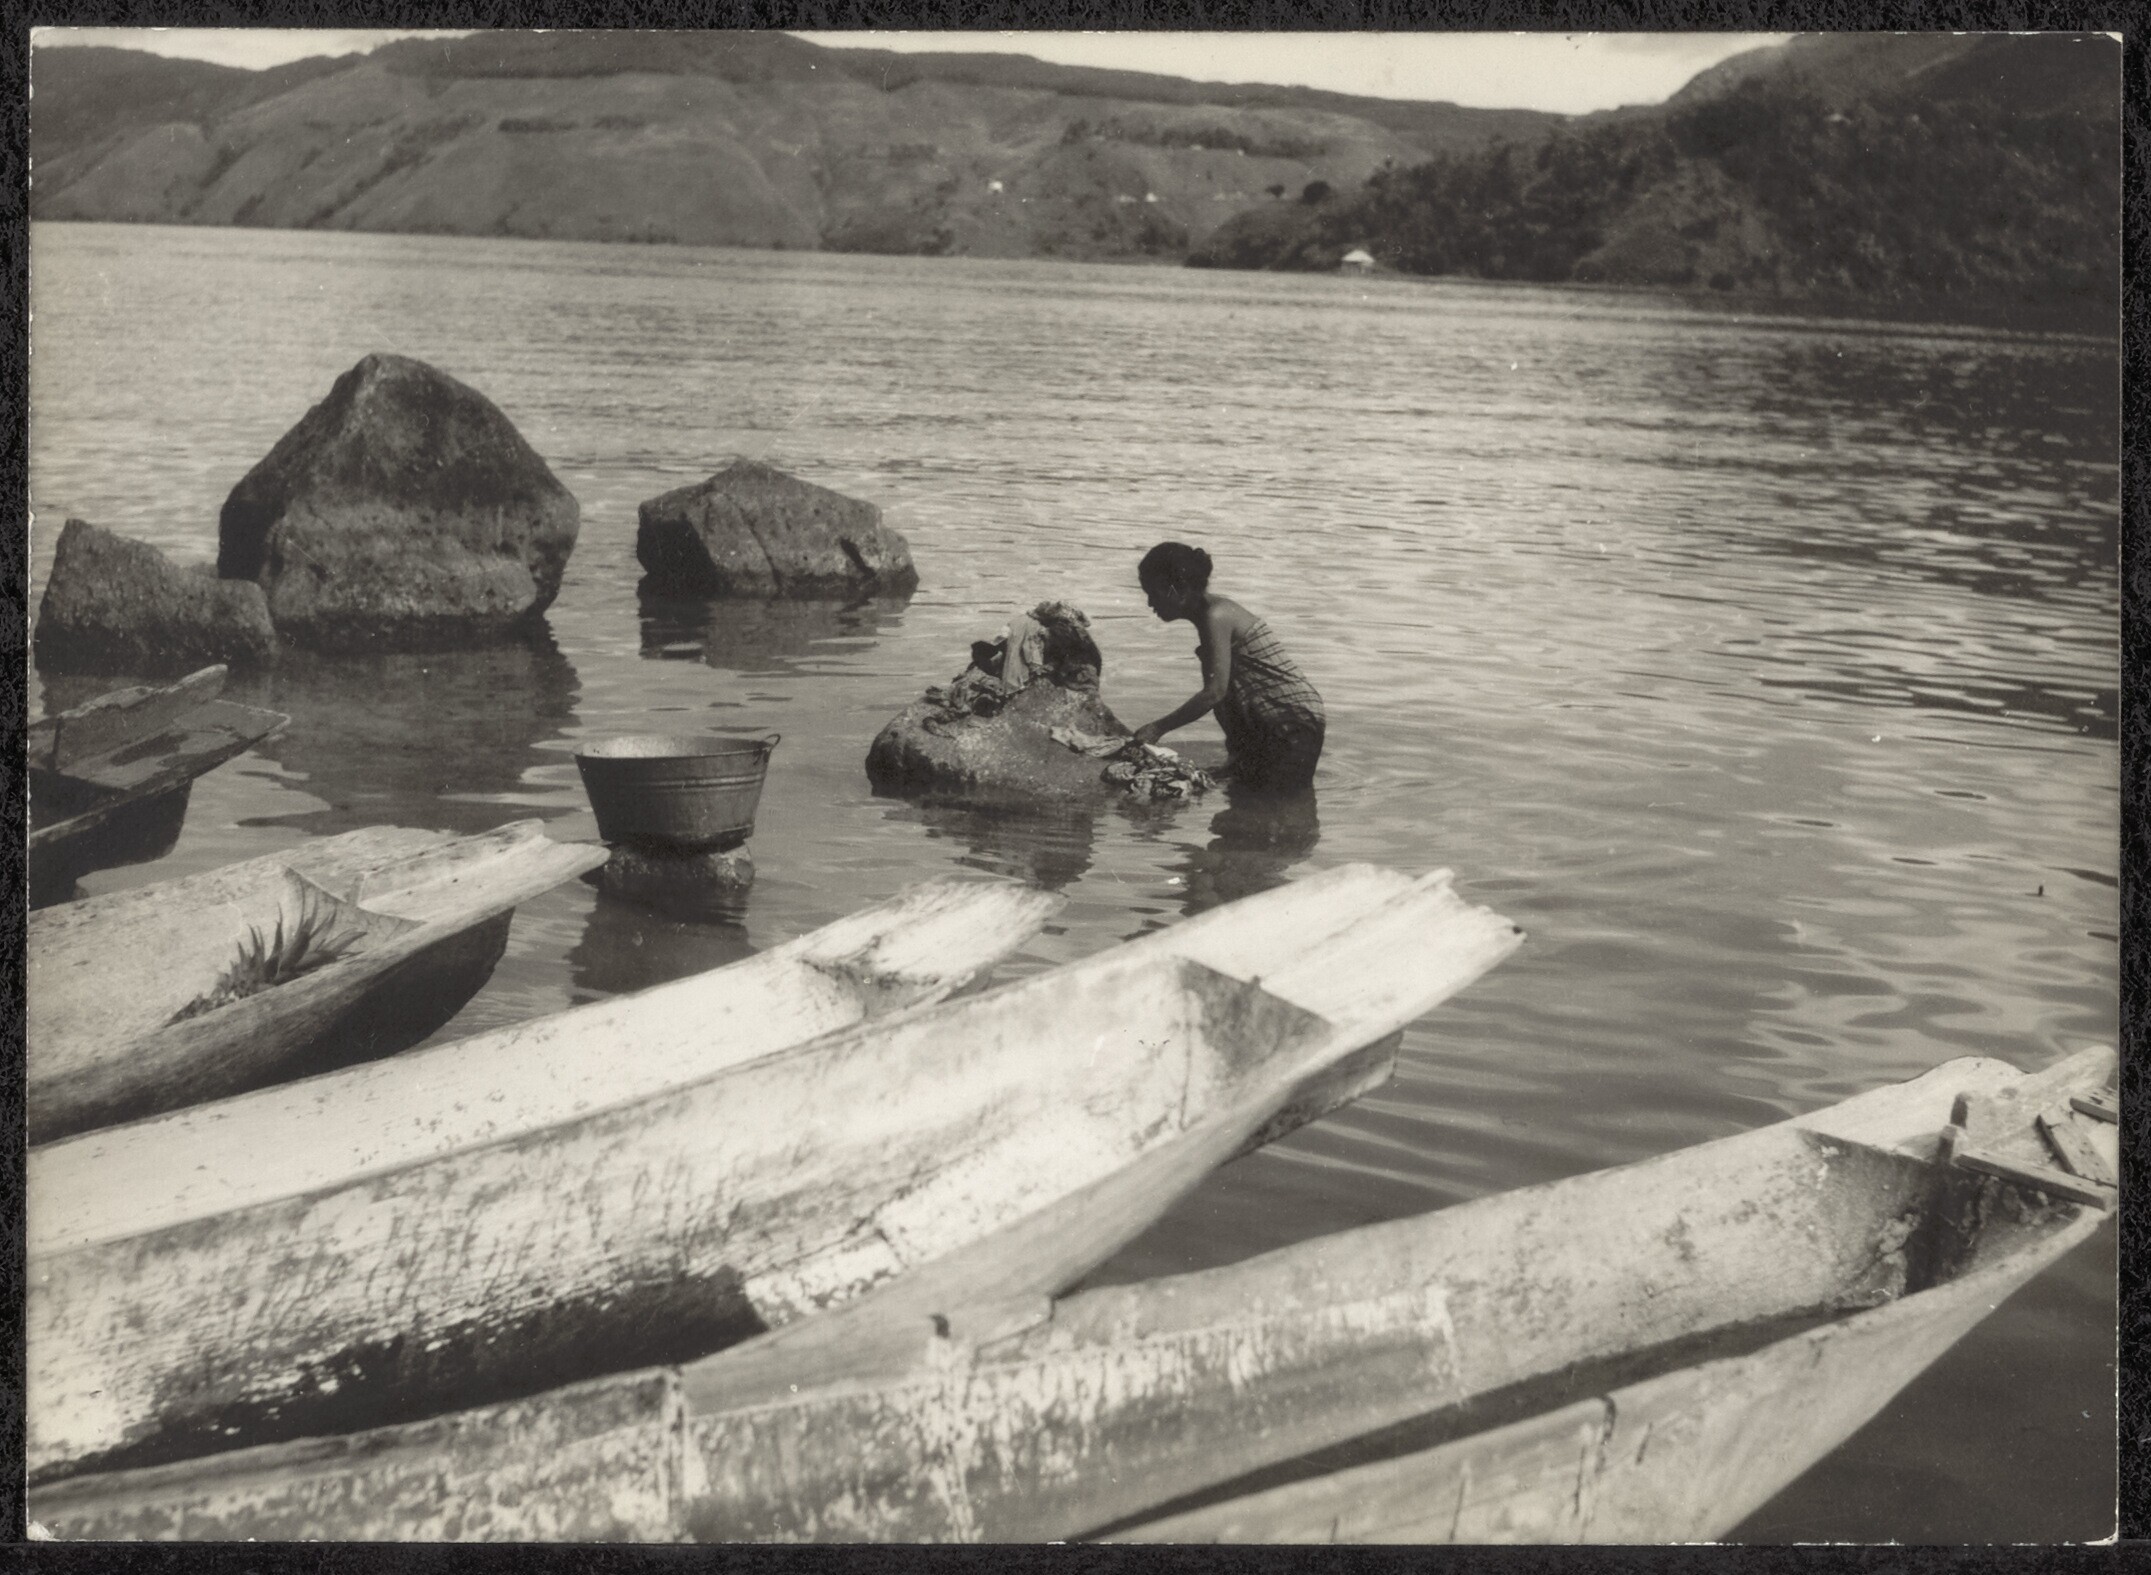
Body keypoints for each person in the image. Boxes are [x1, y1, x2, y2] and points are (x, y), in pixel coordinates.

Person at [1132, 542, 1325, 792]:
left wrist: (1158, 728)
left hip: (1292, 722)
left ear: (1181, 589)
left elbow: (1214, 693)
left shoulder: (1217, 616)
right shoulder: (1207, 619)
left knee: (1278, 799)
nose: (1150, 603)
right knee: (1245, 798)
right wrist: (1235, 760)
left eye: (1154, 592)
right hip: (1270, 722)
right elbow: (1227, 700)